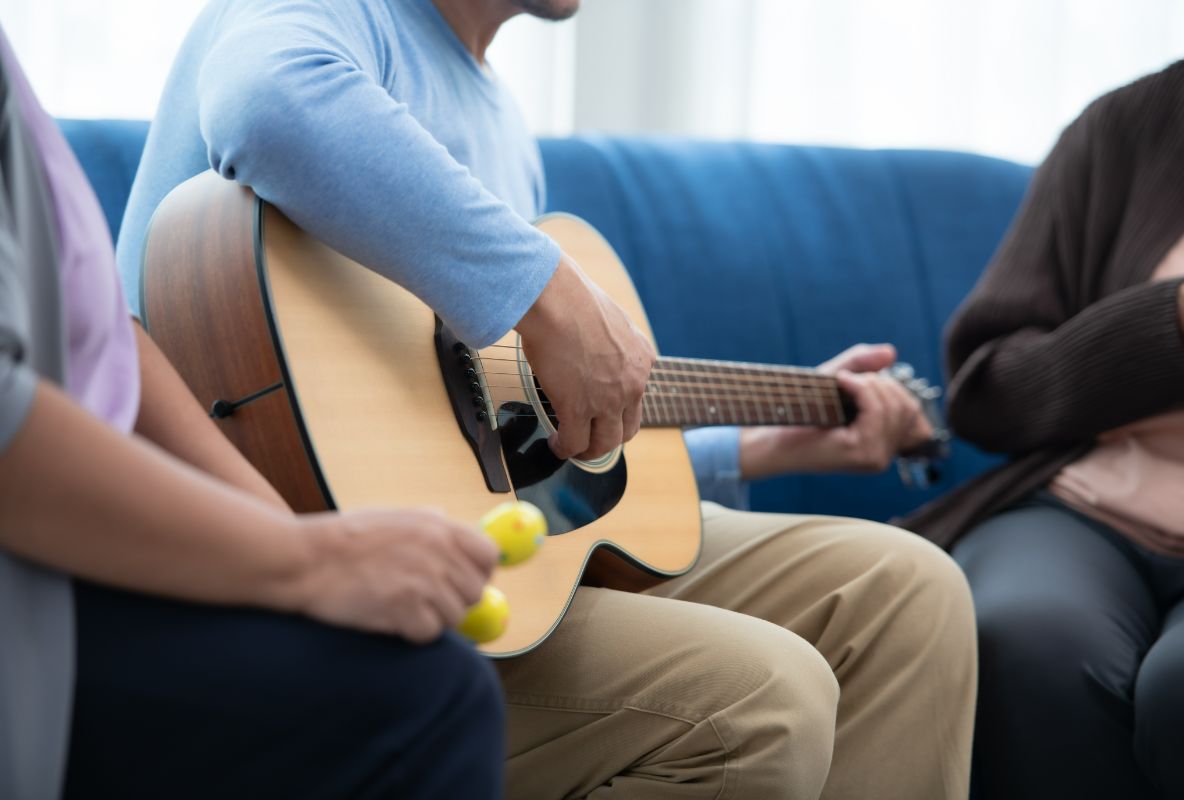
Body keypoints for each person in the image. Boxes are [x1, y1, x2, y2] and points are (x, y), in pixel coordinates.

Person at [114, 1, 978, 798]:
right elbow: (268, 99)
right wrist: (547, 291)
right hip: (291, 588)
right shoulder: (339, 14)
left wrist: (754, 450)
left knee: (910, 590)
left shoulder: (498, 120)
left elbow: (507, 452)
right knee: (761, 698)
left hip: (488, 556)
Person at [0, 4, 509, 798]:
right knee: (430, 697)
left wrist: (288, 537)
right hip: (35, 589)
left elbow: (100, 340)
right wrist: (308, 561)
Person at [902, 62, 1184, 800]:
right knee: (1025, 639)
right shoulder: (1123, 127)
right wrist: (1169, 322)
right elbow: (988, 393)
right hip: (1083, 508)